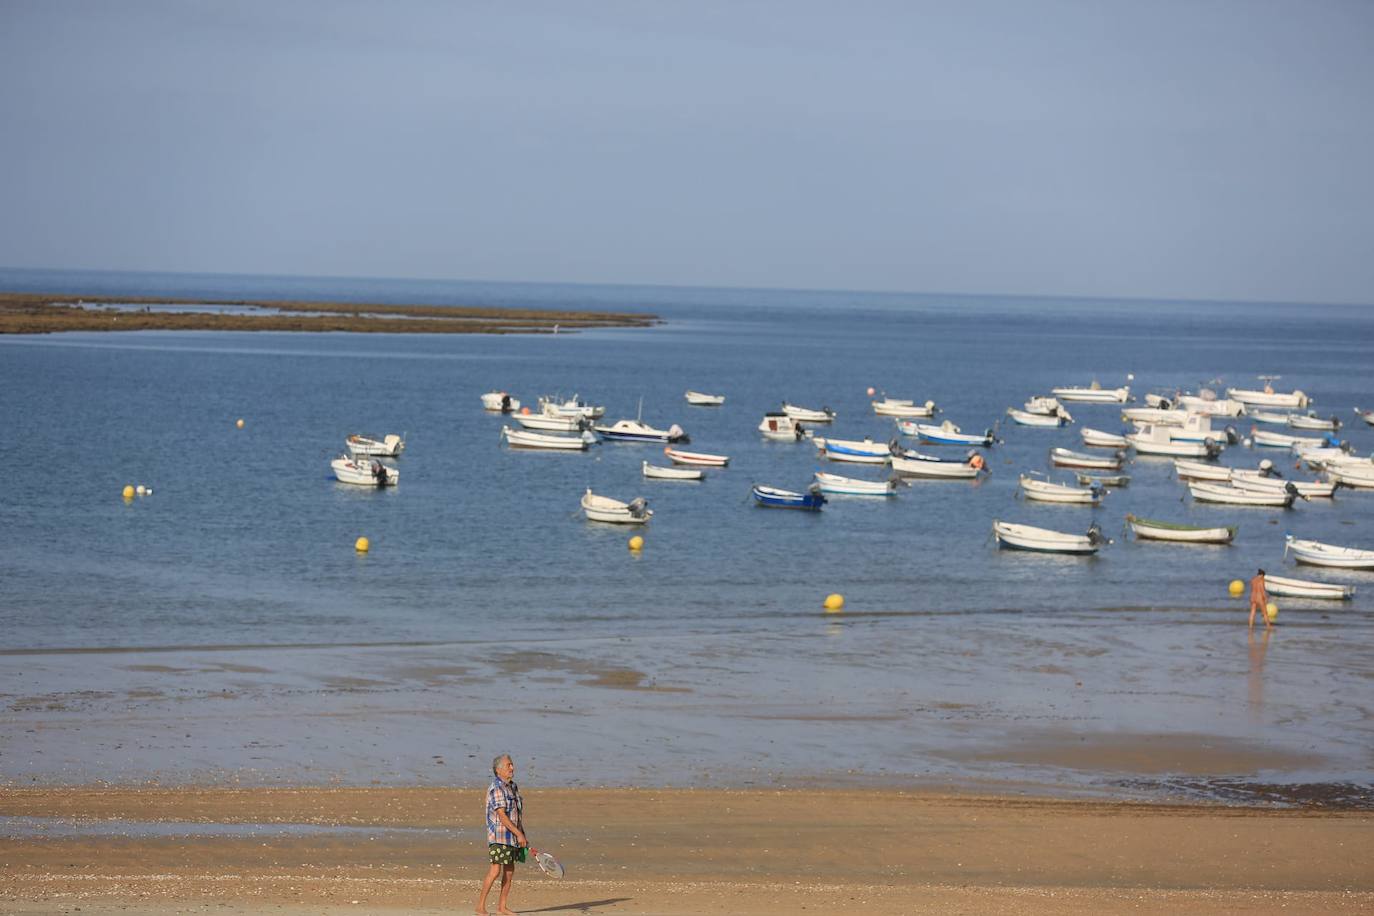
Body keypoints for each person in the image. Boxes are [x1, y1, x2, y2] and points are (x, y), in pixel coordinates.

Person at [476, 753, 526, 916]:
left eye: (512, 765)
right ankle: (480, 907)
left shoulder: (512, 786)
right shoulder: (496, 788)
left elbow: (516, 814)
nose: (512, 768)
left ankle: (502, 907)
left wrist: (521, 834)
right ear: (498, 770)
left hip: (512, 836)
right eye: (508, 765)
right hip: (499, 836)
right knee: (495, 871)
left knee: (509, 871)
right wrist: (518, 833)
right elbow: (502, 816)